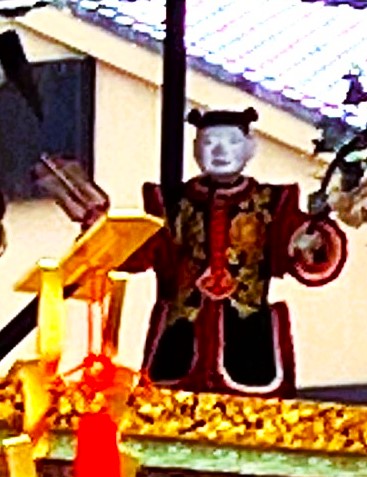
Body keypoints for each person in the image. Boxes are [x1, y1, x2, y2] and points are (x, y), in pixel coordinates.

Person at [119, 107, 348, 398]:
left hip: (249, 341)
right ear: (195, 148)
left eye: (232, 141)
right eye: (209, 142)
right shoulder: (170, 203)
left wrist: (311, 241)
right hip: (179, 343)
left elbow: (306, 253)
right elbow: (140, 249)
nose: (220, 151)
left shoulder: (272, 203)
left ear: (251, 148)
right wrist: (102, 229)